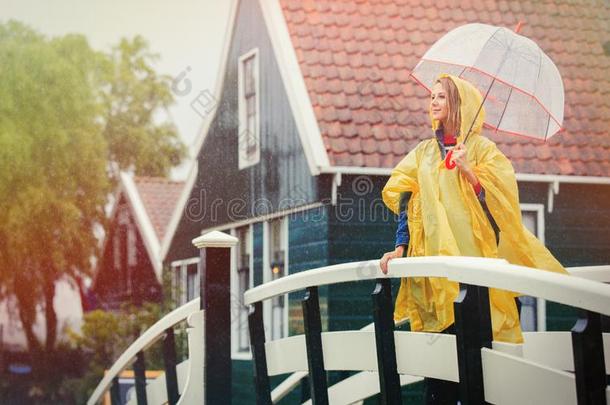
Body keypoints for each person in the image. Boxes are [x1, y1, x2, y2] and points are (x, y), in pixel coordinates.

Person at [379, 74, 567, 404]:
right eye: (432, 96)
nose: (433, 102)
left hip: (482, 284)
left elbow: (504, 214)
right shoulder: (423, 154)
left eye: (442, 97)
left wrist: (470, 172)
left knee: (482, 384)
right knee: (439, 385)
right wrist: (399, 247)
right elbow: (406, 201)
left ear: (459, 105)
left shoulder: (482, 151)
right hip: (439, 285)